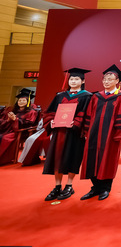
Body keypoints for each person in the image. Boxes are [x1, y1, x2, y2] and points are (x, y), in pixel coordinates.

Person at [80, 65, 121, 201]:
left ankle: (105, 188)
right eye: (104, 79)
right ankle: (95, 187)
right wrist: (87, 131)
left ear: (117, 81)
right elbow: (89, 115)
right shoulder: (96, 97)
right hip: (94, 134)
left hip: (111, 135)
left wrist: (120, 133)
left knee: (108, 160)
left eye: (110, 79)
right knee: (91, 159)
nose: (106, 82)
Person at [42, 68, 93, 201]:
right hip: (59, 132)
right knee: (57, 158)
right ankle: (57, 186)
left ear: (83, 81)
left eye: (76, 79)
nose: (73, 81)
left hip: (75, 133)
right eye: (71, 79)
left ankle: (69, 185)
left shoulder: (87, 97)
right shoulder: (60, 96)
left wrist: (75, 123)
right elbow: (50, 112)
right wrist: (51, 122)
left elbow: (87, 114)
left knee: (73, 158)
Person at [0, 89, 38, 165]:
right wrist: (8, 120)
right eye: (20, 100)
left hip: (21, 131)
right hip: (9, 130)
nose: (21, 102)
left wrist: (16, 120)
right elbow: (4, 121)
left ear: (28, 102)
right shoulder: (13, 110)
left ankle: (3, 159)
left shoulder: (32, 112)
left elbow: (29, 124)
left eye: (24, 100)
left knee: (5, 138)